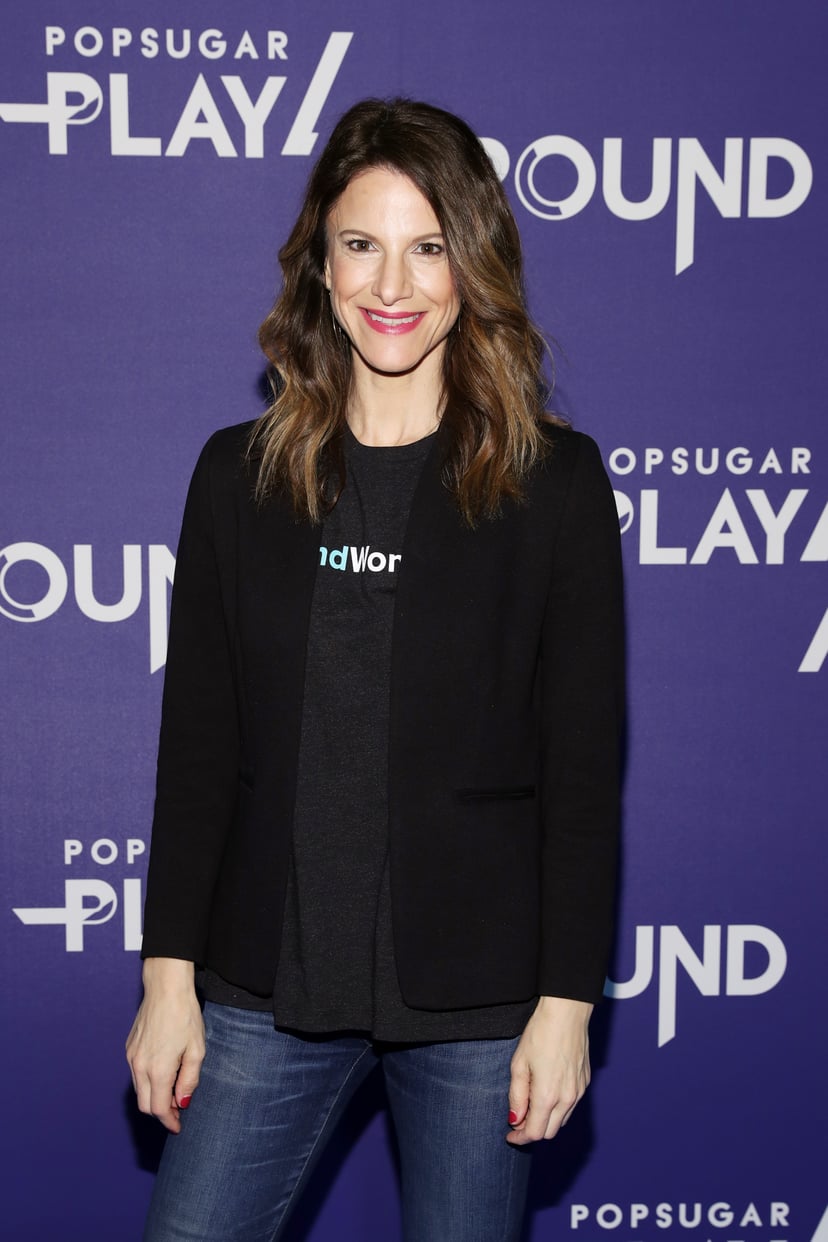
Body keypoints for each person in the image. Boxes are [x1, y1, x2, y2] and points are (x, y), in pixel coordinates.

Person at [126, 97, 624, 1242]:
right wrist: (167, 979)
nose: (391, 283)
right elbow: (198, 746)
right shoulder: (236, 476)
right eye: (361, 244)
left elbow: (583, 770)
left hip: (480, 1002)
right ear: (321, 265)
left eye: (428, 245)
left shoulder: (553, 484)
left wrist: (564, 1006)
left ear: (473, 263)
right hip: (264, 989)